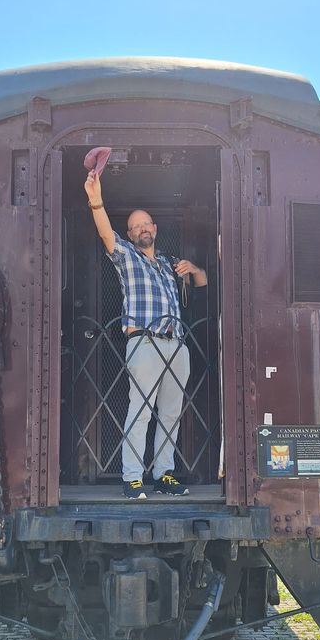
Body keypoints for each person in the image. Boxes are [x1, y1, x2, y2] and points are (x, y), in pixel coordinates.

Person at [84, 168, 207, 499]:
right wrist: (96, 202)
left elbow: (204, 284)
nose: (141, 229)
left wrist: (195, 269)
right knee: (140, 410)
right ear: (132, 233)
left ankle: (164, 474)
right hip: (145, 342)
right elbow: (107, 235)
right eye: (135, 226)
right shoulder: (127, 258)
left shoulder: (169, 264)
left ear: (154, 228)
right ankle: (133, 477)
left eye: (145, 224)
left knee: (170, 413)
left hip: (176, 344)